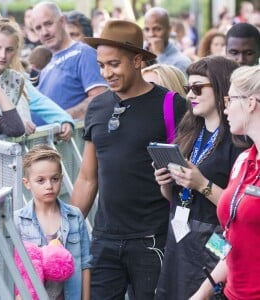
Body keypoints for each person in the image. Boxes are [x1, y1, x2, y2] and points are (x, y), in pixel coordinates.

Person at [71, 19, 187, 299]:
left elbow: (190, 171)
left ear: (137, 60)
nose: (106, 73)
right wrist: (67, 229)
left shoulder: (171, 104)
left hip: (153, 240)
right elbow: (88, 177)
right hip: (104, 239)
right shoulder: (97, 107)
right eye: (101, 65)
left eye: (114, 64)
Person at [154, 56, 245, 300]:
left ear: (220, 88)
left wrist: (201, 184)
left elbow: (240, 208)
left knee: (208, 292)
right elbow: (174, 198)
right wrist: (165, 183)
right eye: (187, 89)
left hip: (216, 236)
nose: (190, 95)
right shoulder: (189, 132)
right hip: (180, 232)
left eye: (197, 88)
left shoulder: (238, 140)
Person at [190, 64, 260, 300]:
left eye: (230, 99)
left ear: (251, 103)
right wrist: (201, 294)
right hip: (231, 293)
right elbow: (233, 241)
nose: (225, 108)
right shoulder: (243, 161)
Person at [14, 144, 91, 300]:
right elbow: (14, 269)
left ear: (61, 179)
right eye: (40, 180)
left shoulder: (74, 216)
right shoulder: (17, 221)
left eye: (54, 179)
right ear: (27, 183)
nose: (49, 186)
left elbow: (85, 264)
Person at [0, 18, 74, 139]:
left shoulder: (17, 79)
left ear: (16, 50)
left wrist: (64, 119)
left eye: (9, 49)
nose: (2, 55)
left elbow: (39, 101)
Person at [31, 2, 107, 120]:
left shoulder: (83, 52)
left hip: (68, 136)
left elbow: (100, 98)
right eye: (38, 28)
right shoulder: (47, 64)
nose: (44, 32)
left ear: (62, 21)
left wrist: (62, 119)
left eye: (48, 24)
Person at [143, 7, 191, 74]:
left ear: (169, 29)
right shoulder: (140, 54)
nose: (151, 34)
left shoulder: (181, 62)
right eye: (147, 29)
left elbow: (168, 84)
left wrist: (159, 55)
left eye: (157, 29)